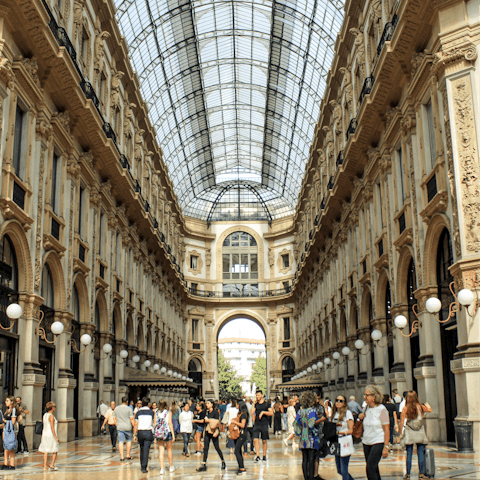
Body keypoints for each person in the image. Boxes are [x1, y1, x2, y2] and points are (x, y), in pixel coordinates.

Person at [359, 385, 390, 480]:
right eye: (365, 395)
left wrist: (386, 446)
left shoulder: (382, 409)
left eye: (367, 395)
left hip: (378, 441)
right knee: (374, 468)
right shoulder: (366, 408)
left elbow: (386, 429)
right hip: (366, 441)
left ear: (374, 396)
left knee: (370, 467)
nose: (365, 397)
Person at [400, 391, 432, 480]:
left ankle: (408, 474)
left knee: (409, 453)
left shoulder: (406, 408)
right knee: (420, 452)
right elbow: (429, 410)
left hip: (410, 431)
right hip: (420, 430)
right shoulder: (420, 407)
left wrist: (400, 432)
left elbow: (402, 420)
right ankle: (421, 473)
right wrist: (427, 405)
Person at [294, 391, 319, 480]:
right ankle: (311, 477)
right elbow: (312, 424)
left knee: (304, 459)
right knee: (311, 459)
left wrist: (300, 432)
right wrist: (316, 433)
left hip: (303, 438)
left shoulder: (300, 412)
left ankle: (306, 478)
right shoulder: (312, 411)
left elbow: (296, 424)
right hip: (311, 437)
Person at [196, 399, 225, 472]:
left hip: (214, 431)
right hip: (207, 431)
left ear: (212, 404)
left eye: (208, 403)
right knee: (206, 448)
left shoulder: (215, 412)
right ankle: (204, 464)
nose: (207, 405)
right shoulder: (206, 412)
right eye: (206, 403)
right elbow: (204, 420)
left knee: (217, 447)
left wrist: (209, 420)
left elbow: (216, 422)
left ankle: (223, 461)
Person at [332, 394, 355, 480]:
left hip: (345, 441)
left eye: (341, 401)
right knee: (339, 469)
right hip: (336, 442)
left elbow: (351, 430)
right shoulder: (334, 413)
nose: (338, 402)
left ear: (345, 403)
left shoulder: (348, 413)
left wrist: (339, 432)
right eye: (337, 400)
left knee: (343, 469)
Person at [133, 397, 155, 474]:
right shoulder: (152, 412)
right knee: (146, 450)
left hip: (140, 432)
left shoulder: (138, 413)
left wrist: (134, 434)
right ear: (148, 404)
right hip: (148, 432)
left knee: (141, 449)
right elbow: (154, 423)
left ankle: (142, 464)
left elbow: (135, 424)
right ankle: (144, 466)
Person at [251, 390, 273, 462]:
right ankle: (257, 455)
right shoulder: (256, 404)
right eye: (256, 395)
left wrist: (263, 412)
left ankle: (264, 455)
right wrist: (253, 404)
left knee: (264, 440)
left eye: (258, 395)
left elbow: (271, 413)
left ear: (262, 395)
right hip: (257, 424)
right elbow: (252, 412)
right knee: (255, 439)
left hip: (264, 424)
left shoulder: (266, 404)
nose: (257, 397)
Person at [155, 399, 176, 474]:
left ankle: (162, 468)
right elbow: (170, 423)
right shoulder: (168, 412)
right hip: (167, 432)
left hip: (159, 433)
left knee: (161, 451)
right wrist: (173, 434)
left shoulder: (156, 412)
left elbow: (155, 424)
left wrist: (155, 435)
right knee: (169, 450)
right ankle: (170, 467)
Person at [38, 401, 59, 471]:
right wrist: (56, 437)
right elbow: (52, 427)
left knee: (46, 450)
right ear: (52, 408)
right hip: (50, 434)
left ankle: (44, 466)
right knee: (55, 450)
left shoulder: (45, 415)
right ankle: (52, 464)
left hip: (45, 434)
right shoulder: (51, 416)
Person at [114, 396, 135, 461]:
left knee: (121, 441)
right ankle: (128, 455)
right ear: (127, 402)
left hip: (120, 427)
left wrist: (117, 425)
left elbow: (114, 418)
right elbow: (131, 419)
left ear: (121, 401)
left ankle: (122, 457)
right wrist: (134, 426)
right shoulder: (129, 409)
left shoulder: (116, 408)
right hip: (128, 427)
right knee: (129, 440)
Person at [232, 401, 248, 474]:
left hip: (242, 434)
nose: (236, 405)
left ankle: (242, 468)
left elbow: (242, 425)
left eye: (237, 404)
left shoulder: (244, 415)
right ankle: (241, 467)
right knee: (238, 451)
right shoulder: (240, 414)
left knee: (236, 451)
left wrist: (234, 422)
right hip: (238, 434)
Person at [2, 396, 17, 470]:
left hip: (10, 430)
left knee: (10, 447)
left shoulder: (13, 410)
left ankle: (12, 464)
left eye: (7, 401)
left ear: (11, 401)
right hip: (5, 430)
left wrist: (5, 421)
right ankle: (5, 463)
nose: (6, 402)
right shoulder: (7, 410)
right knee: (5, 447)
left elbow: (13, 422)